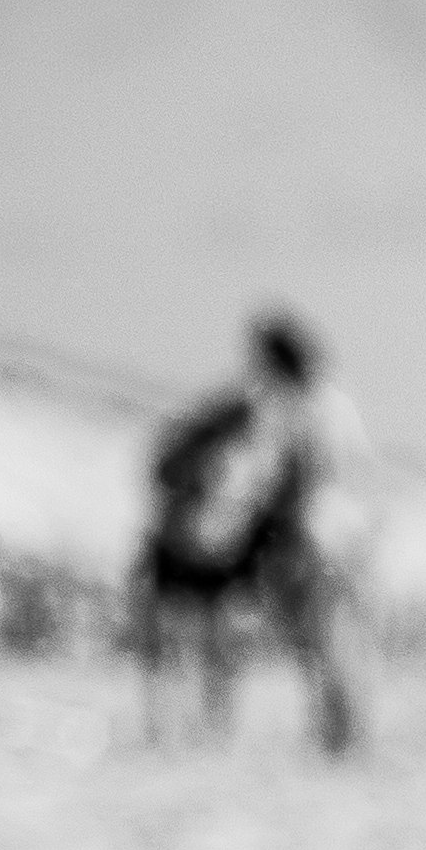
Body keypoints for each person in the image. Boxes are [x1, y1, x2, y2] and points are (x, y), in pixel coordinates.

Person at [136, 307, 361, 756]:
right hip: (326, 532)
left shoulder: (300, 407)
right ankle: (335, 734)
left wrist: (258, 510)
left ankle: (337, 734)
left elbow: (289, 473)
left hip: (310, 535)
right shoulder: (323, 403)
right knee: (321, 637)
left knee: (318, 635)